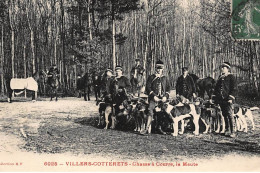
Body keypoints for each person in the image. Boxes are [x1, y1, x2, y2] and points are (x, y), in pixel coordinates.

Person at [140, 60, 170, 135]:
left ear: (163, 69)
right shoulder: (151, 77)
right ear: (155, 69)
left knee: (162, 112)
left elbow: (168, 88)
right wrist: (153, 96)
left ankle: (159, 128)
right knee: (150, 110)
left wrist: (165, 97)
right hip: (153, 99)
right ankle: (146, 129)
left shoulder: (165, 78)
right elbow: (148, 88)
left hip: (162, 99)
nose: (159, 70)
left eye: (161, 68)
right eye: (158, 68)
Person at [212, 62, 237, 138]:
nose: (222, 69)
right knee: (224, 115)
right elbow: (217, 89)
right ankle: (227, 129)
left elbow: (234, 89)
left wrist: (230, 98)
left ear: (227, 69)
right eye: (221, 68)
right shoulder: (220, 77)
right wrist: (214, 97)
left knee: (230, 114)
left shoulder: (231, 77)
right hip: (221, 100)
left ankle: (233, 131)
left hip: (228, 99)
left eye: (223, 68)